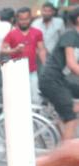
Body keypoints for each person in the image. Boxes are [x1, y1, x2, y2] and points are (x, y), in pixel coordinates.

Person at [38, 7, 79, 139]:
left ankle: (63, 116)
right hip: (51, 80)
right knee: (71, 119)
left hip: (58, 79)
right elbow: (72, 64)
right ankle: (65, 157)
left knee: (69, 110)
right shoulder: (70, 34)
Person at [1, 7, 47, 103]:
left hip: (32, 72)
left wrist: (45, 65)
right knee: (16, 98)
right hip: (16, 71)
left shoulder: (37, 33)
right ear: (17, 19)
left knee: (35, 98)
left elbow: (41, 50)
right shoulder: (11, 34)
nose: (24, 22)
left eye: (26, 19)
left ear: (30, 18)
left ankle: (33, 117)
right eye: (22, 19)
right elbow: (2, 50)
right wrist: (14, 50)